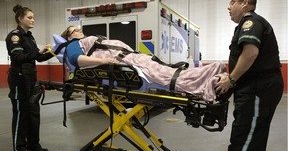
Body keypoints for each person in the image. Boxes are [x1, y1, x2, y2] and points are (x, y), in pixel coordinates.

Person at [195, 0, 283, 151]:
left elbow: (250, 53)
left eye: (232, 2)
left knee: (244, 134)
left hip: (258, 88)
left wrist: (231, 79)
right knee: (256, 135)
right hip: (261, 86)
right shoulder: (249, 24)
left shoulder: (250, 22)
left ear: (245, 4)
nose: (228, 6)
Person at [57, 26, 227, 102]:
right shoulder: (73, 45)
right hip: (128, 62)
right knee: (164, 76)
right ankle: (207, 80)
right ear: (69, 36)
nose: (80, 31)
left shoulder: (86, 40)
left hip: (132, 58)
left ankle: (208, 76)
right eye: (75, 30)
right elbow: (75, 60)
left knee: (166, 71)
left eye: (79, 29)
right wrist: (104, 60)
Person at [6, 4, 54, 151]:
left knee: (34, 112)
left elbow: (38, 57)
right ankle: (19, 147)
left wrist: (55, 51)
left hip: (31, 79)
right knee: (21, 113)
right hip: (19, 80)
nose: (33, 20)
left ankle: (34, 144)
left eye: (33, 17)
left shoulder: (29, 36)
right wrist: (37, 52)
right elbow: (18, 57)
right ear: (20, 19)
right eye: (29, 17)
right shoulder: (14, 36)